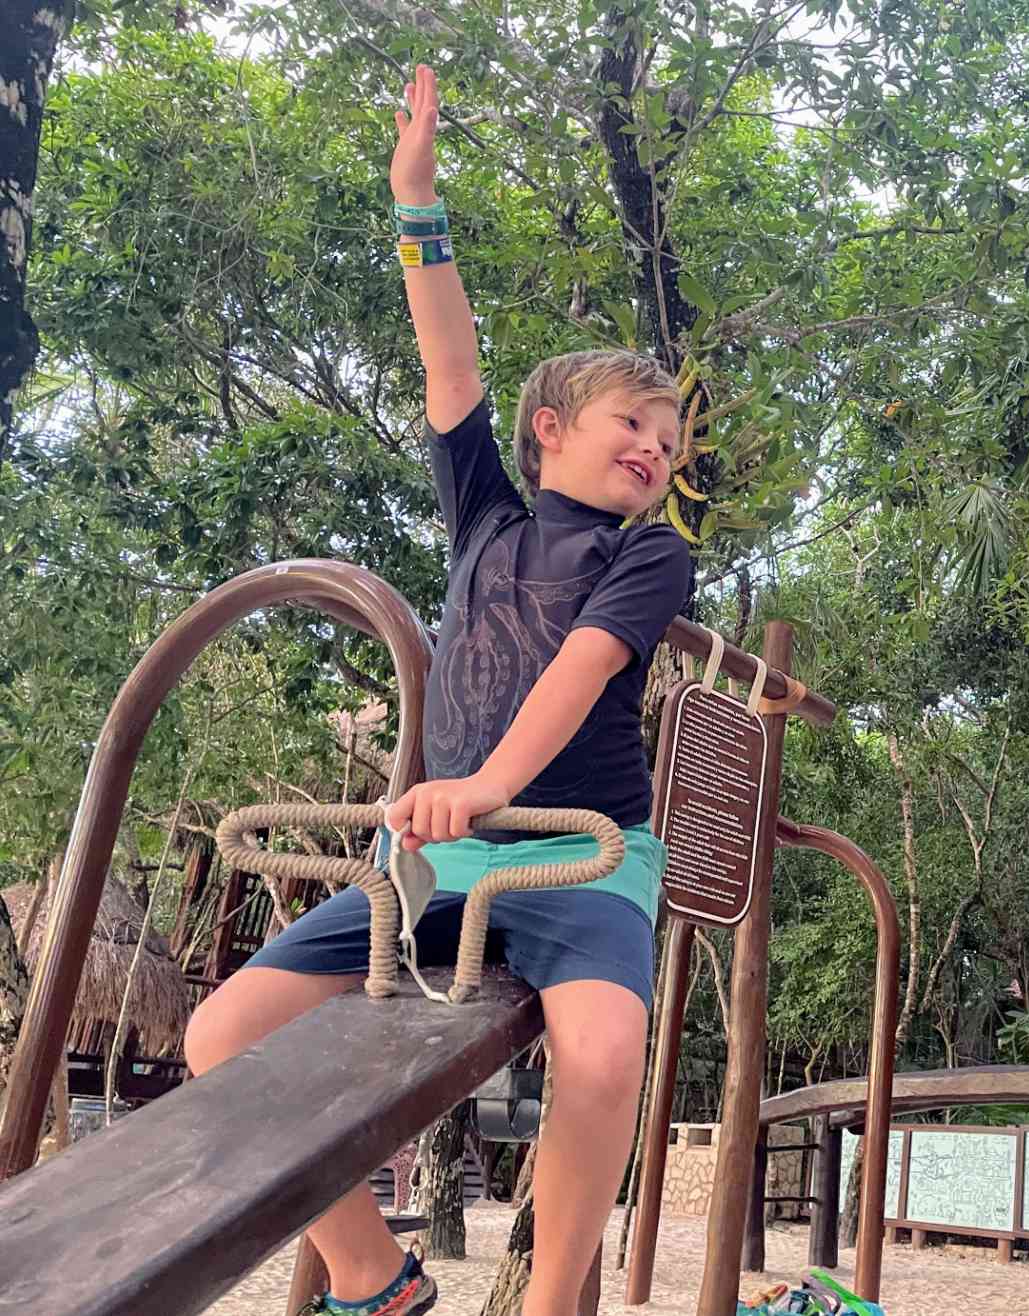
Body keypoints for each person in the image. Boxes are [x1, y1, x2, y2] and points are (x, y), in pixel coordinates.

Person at [185, 64, 692, 1316]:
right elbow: (448, 354)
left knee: (608, 1050)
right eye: (635, 421)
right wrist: (417, 196)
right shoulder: (484, 519)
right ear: (549, 431)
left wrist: (482, 785)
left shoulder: (647, 551)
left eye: (671, 443)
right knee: (218, 1034)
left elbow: (582, 671)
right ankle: (375, 1275)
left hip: (582, 852)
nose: (654, 450)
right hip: (446, 858)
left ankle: (546, 1295)